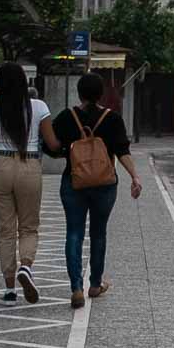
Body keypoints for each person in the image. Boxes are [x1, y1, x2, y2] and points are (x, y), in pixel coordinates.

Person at [0, 64, 61, 305]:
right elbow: (52, 143)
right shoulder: (39, 107)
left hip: (1, 166)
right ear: (23, 82)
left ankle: (10, 290)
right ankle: (26, 267)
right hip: (29, 165)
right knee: (29, 227)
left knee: (6, 231)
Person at [51, 73, 142, 310]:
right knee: (99, 232)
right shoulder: (112, 119)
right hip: (104, 184)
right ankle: (95, 283)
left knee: (74, 232)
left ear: (79, 93)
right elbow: (122, 151)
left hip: (73, 182)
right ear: (101, 94)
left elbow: (51, 147)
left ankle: (76, 288)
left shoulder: (66, 117)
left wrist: (68, 150)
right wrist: (135, 176)